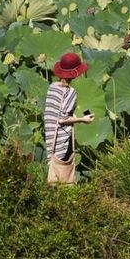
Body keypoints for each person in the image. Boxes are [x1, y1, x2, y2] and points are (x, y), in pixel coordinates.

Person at [44, 53, 94, 182]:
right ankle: (65, 198)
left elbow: (56, 112)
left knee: (53, 169)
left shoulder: (52, 87)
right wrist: (82, 120)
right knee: (63, 174)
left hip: (50, 135)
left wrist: (71, 115)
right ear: (75, 73)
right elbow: (62, 119)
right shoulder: (70, 92)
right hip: (62, 138)